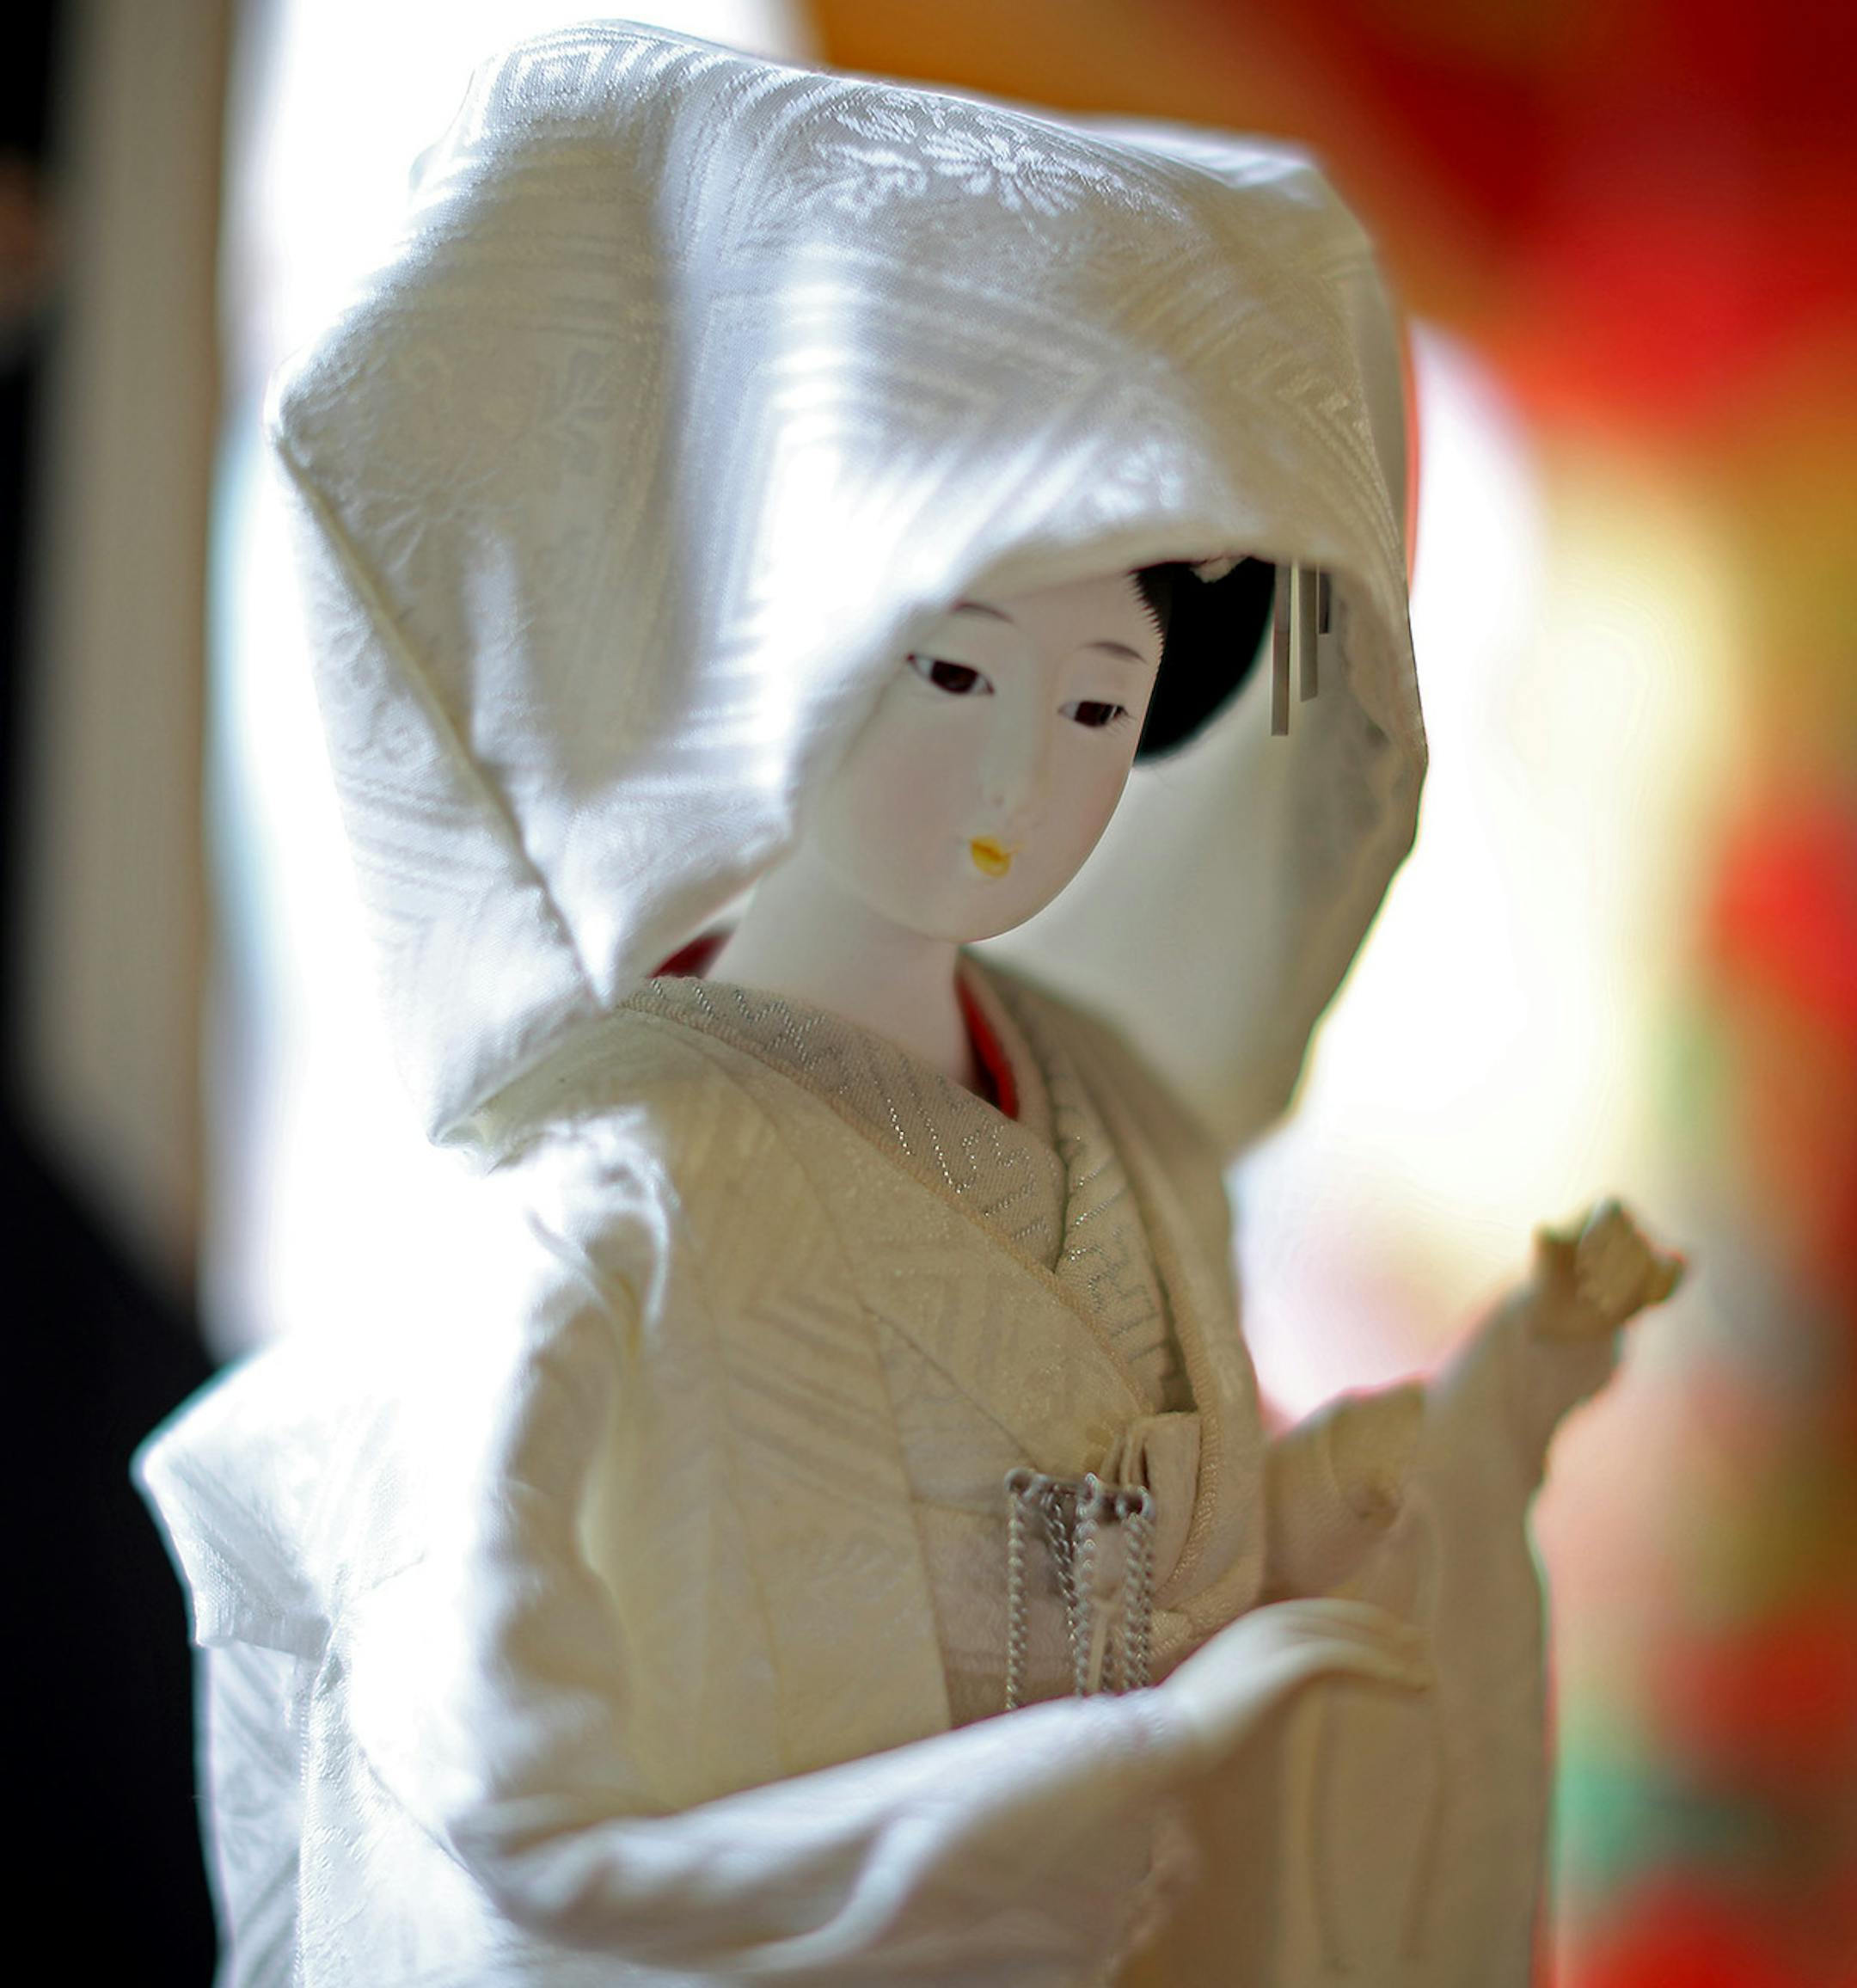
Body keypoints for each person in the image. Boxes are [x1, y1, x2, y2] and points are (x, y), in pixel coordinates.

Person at [137, 23, 1681, 1985]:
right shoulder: (623, 1190)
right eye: (955, 677)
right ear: (774, 654)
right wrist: (1135, 1755)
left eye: (1100, 702)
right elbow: (510, 1795)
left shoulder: (1118, 1120)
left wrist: (1457, 1448)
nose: (1025, 779)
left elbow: (1182, 1551)